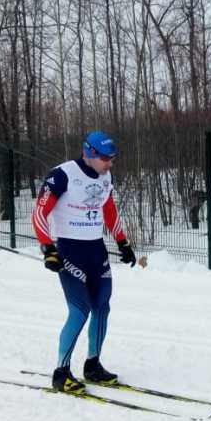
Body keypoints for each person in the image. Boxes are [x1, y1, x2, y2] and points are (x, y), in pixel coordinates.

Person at [32, 131, 137, 394]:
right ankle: (61, 372)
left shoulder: (105, 177)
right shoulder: (62, 174)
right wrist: (48, 248)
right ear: (89, 152)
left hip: (96, 251)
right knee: (79, 311)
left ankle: (92, 366)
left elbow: (109, 209)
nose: (110, 163)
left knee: (102, 307)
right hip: (70, 251)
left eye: (112, 158)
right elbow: (39, 213)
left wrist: (122, 241)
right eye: (105, 158)